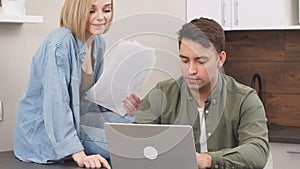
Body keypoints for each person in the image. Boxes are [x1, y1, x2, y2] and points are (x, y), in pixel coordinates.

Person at [14, 0, 140, 168]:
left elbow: (93, 99)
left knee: (138, 126)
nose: (101, 17)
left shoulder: (98, 43)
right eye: (91, 11)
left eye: (107, 10)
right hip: (44, 136)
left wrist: (122, 109)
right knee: (133, 145)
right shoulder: (60, 43)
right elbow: (55, 104)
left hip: (78, 121)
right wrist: (80, 155)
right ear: (77, 11)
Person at [133, 17, 269, 169]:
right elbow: (136, 141)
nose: (191, 70)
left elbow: (257, 151)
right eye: (185, 60)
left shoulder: (245, 100)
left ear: (220, 59)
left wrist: (208, 160)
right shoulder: (161, 94)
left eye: (201, 61)